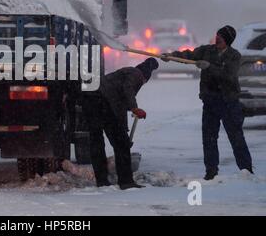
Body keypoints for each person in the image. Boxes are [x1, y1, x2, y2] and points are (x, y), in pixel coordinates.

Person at [162, 25, 253, 180]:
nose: (217, 39)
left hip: (229, 103)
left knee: (236, 137)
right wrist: (170, 56)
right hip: (210, 101)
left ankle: (246, 171)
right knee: (209, 138)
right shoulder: (207, 50)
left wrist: (209, 66)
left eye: (221, 38)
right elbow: (188, 55)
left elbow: (228, 75)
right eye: (217, 36)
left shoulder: (234, 56)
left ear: (228, 41)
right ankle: (211, 172)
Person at [83, 58, 159, 189]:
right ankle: (126, 181)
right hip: (103, 102)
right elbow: (127, 89)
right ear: (145, 77)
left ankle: (102, 181)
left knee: (97, 142)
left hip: (90, 99)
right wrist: (135, 108)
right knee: (121, 145)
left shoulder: (124, 73)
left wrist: (124, 130)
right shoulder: (136, 74)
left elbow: (120, 105)